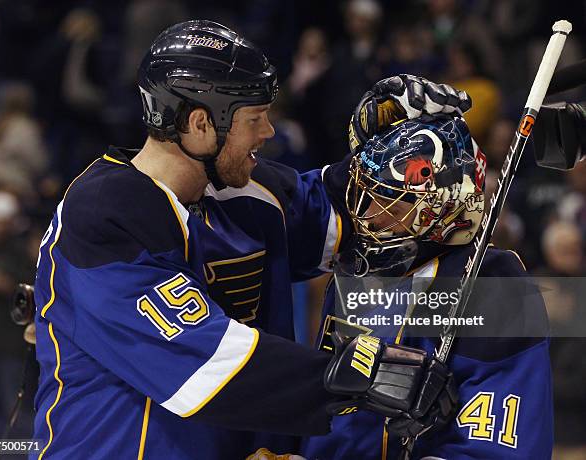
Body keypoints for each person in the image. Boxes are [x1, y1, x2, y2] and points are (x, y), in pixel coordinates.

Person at [31, 20, 471, 459]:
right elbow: (203, 366)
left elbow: (354, 210)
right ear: (201, 124)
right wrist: (359, 375)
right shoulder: (102, 213)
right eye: (255, 119)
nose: (269, 132)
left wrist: (385, 145)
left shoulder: (243, 189)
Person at [300, 107, 553, 459]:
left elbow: (497, 449)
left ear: (437, 208)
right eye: (365, 196)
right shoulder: (353, 269)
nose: (366, 214)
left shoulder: (487, 281)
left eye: (385, 202)